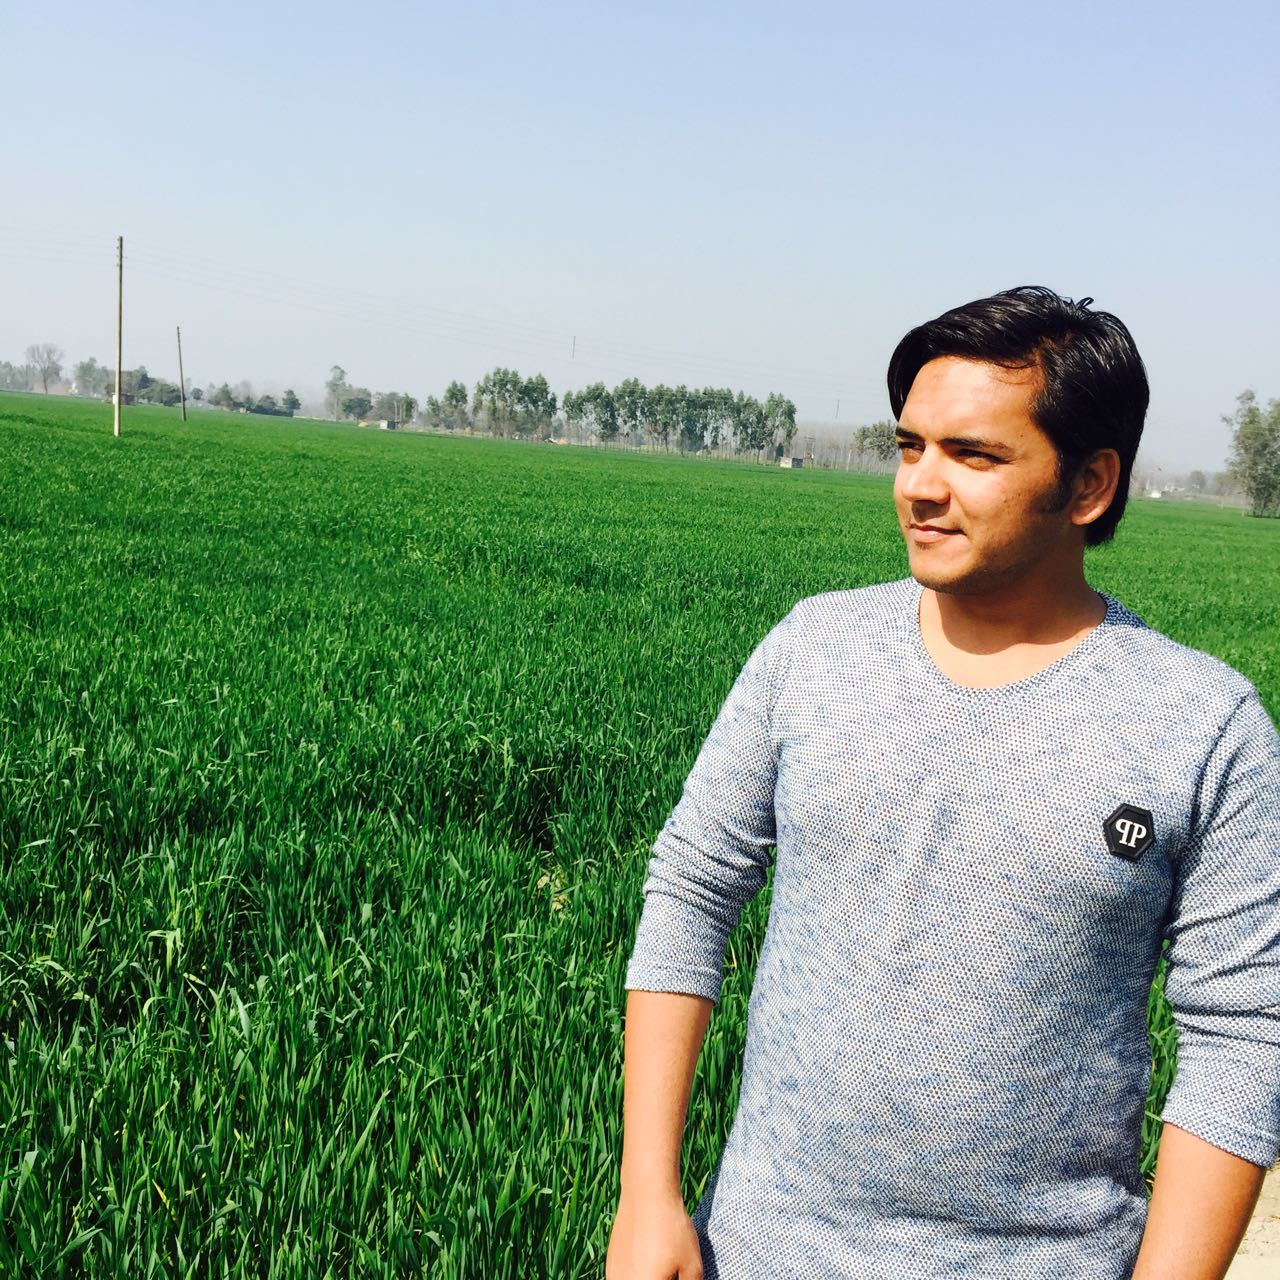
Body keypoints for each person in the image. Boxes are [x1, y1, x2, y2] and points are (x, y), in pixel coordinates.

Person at [606, 286, 1280, 1280]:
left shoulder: (1200, 725)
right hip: (749, 1249)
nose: (919, 486)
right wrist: (646, 1196)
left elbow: (1243, 1033)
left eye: (972, 455)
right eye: (909, 446)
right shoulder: (812, 651)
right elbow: (690, 891)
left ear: (1090, 484)